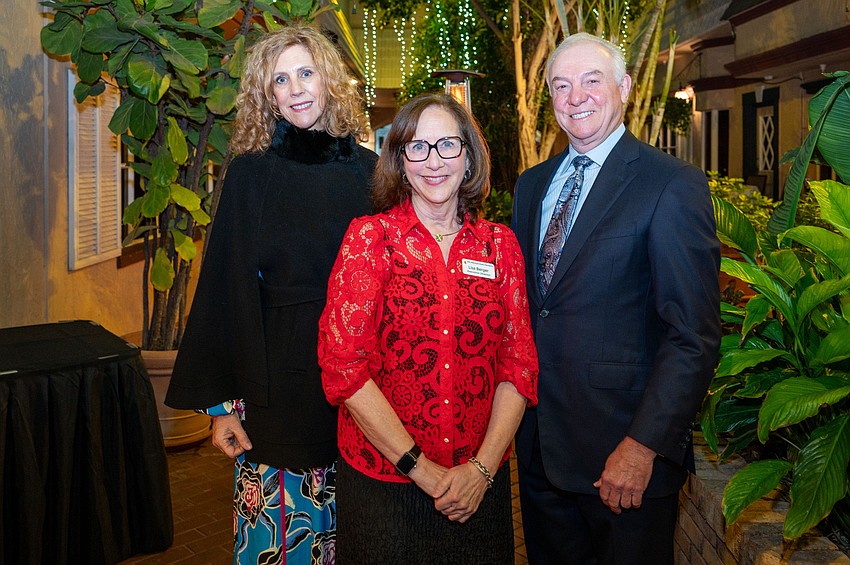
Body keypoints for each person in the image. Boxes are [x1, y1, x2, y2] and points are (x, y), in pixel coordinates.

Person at [165, 23, 377, 565]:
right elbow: (223, 291)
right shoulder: (249, 174)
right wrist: (222, 409)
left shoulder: (373, 173)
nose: (297, 88)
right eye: (280, 80)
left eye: (306, 73)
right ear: (267, 94)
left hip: (364, 393)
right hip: (275, 393)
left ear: (329, 79)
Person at [511, 33, 721, 564]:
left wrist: (643, 445)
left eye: (591, 80)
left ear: (624, 88)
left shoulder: (670, 184)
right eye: (561, 85)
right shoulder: (531, 186)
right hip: (540, 455)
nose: (575, 96)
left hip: (623, 463)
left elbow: (692, 334)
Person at [317, 92, 538, 564]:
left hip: (480, 489)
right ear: (398, 159)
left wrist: (480, 470)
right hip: (385, 488)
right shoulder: (369, 240)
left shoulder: (500, 246)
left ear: (469, 154)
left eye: (447, 145)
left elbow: (518, 366)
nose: (433, 161)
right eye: (417, 147)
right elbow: (344, 369)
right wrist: (425, 472)